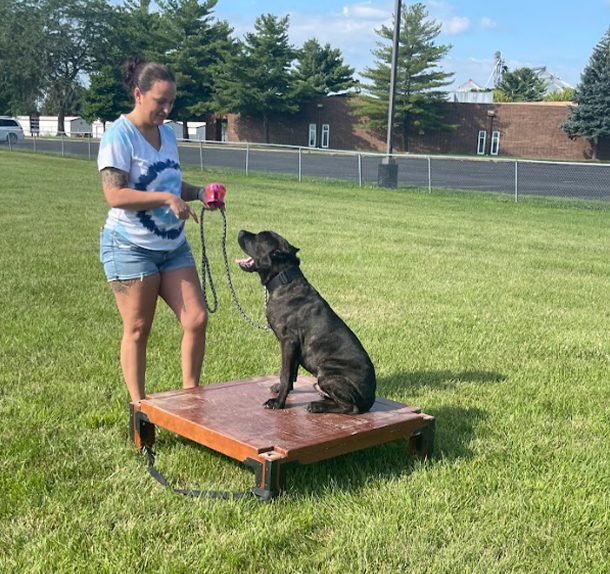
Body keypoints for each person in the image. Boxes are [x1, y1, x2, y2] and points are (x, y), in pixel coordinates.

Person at [98, 56, 217, 403]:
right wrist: (166, 198)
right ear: (138, 94)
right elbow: (114, 194)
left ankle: (191, 400)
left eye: (171, 102)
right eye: (159, 101)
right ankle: (139, 408)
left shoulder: (166, 133)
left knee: (196, 318)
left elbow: (171, 181)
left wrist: (198, 194)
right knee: (138, 329)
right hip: (130, 247)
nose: (166, 109)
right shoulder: (119, 136)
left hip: (172, 246)